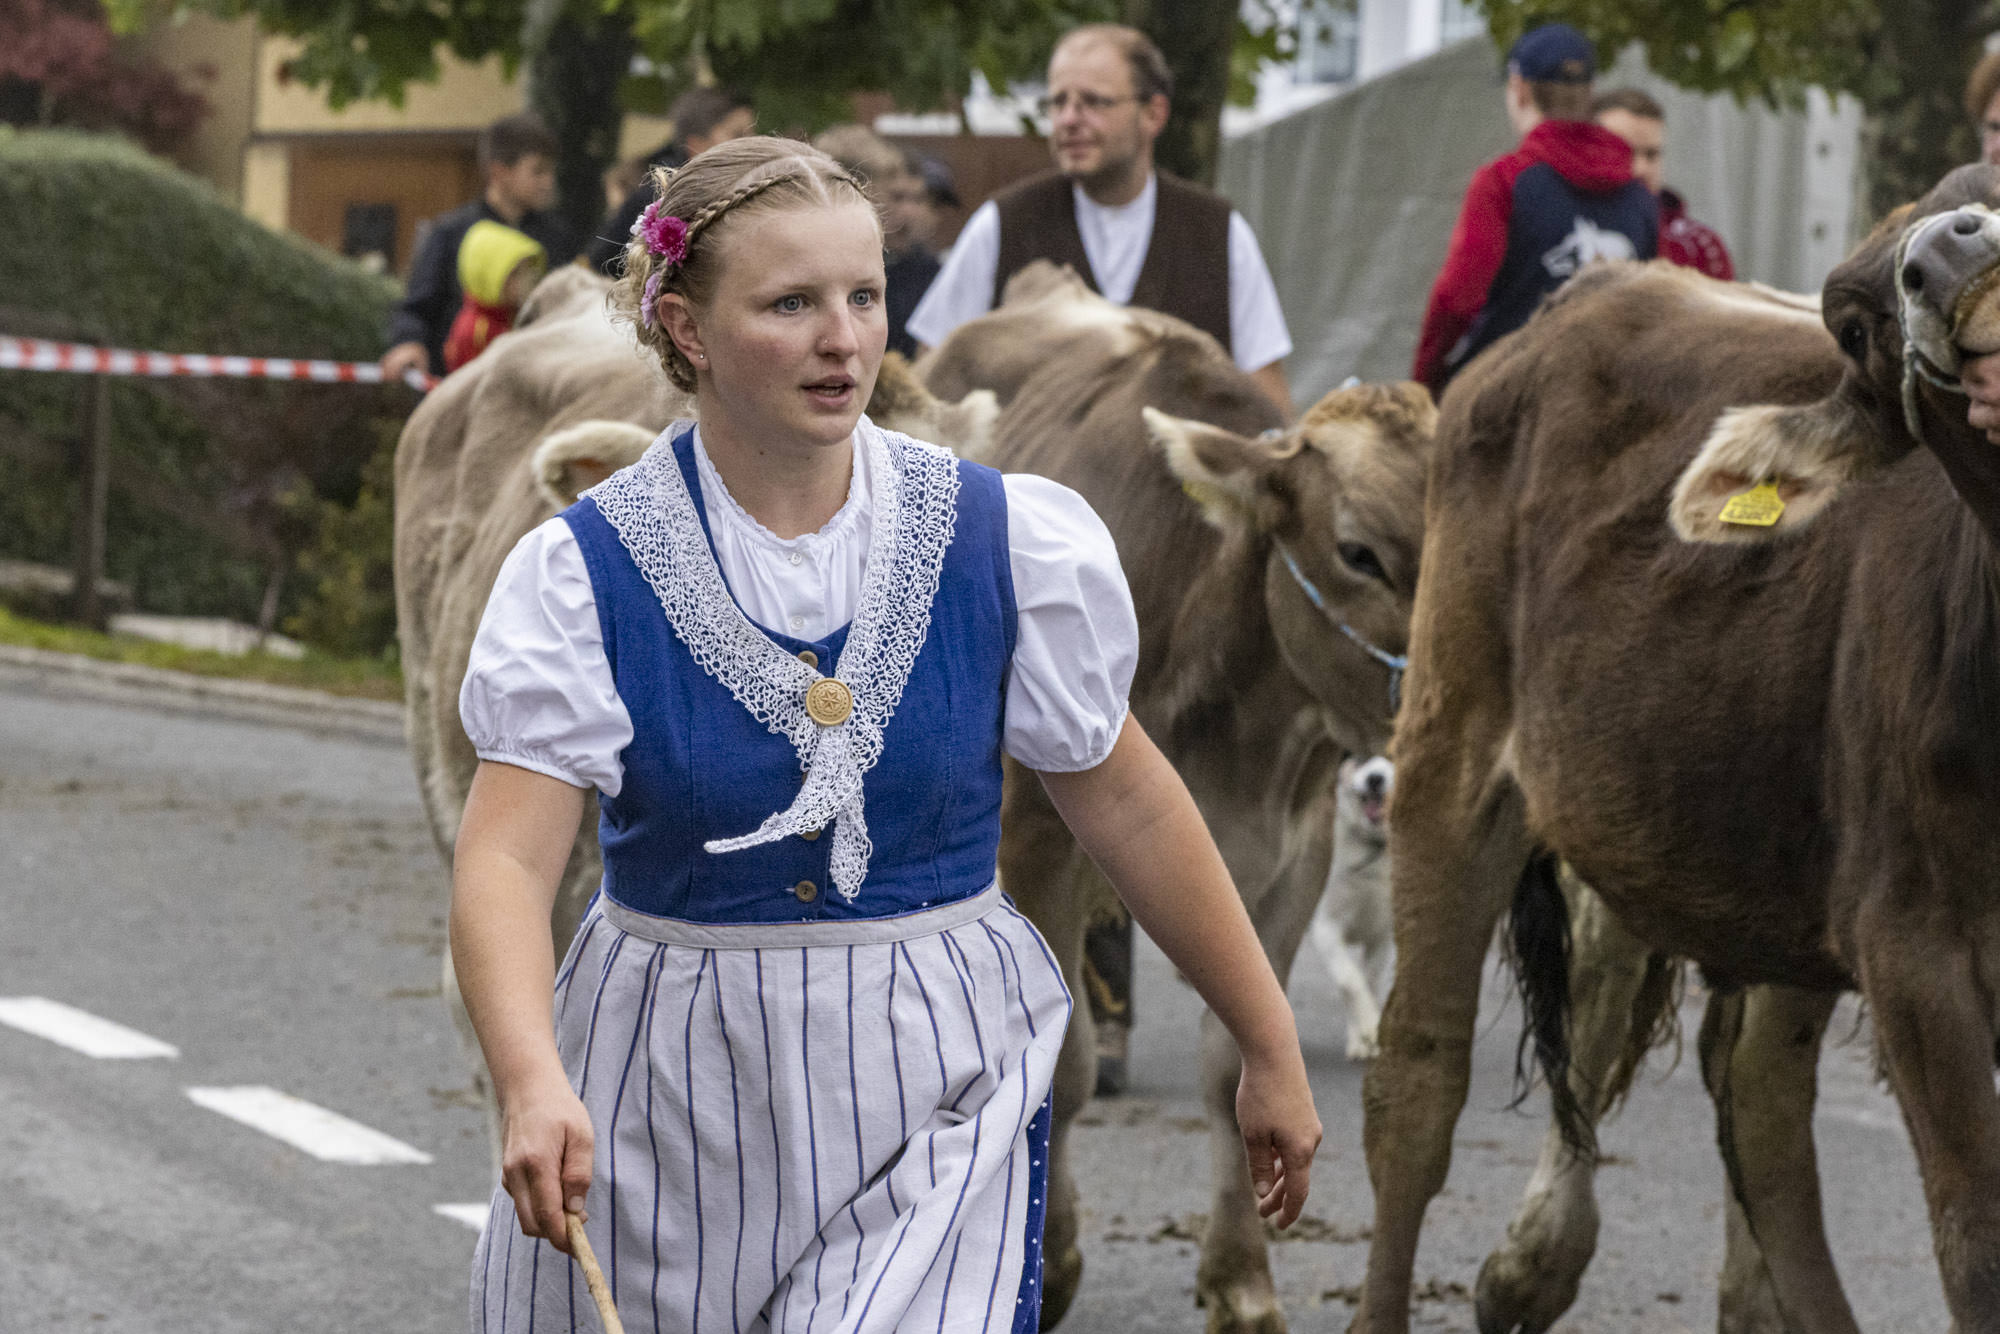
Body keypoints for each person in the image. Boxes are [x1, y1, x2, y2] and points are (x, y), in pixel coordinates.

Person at [451, 134, 1322, 1330]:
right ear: (687, 328)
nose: (843, 338)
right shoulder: (579, 573)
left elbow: (1125, 797)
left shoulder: (1002, 537)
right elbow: (505, 856)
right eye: (790, 303)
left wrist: (1266, 1039)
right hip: (666, 1083)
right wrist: (528, 1077)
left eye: (863, 297)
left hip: (937, 1075)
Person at [907, 24, 1295, 418]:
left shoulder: (1217, 232)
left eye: (1093, 102)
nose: (1069, 119)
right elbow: (932, 376)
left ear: (1153, 114)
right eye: (1058, 102)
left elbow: (1268, 402)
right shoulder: (1003, 223)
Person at [1411, 23, 1659, 396]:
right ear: (1591, 92)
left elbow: (1457, 300)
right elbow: (1654, 305)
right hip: (1607, 396)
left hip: (1511, 396)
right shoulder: (1640, 196)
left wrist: (1425, 380)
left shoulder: (1503, 181)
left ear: (1519, 89)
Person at [381, 114, 579, 382]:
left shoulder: (557, 236)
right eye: (537, 171)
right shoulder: (450, 232)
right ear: (499, 172)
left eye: (550, 171)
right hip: (456, 381)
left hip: (533, 383)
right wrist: (408, 341)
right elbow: (418, 306)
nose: (548, 182)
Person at [586, 85, 755, 274]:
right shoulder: (659, 195)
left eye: (752, 133)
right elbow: (603, 263)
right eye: (737, 134)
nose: (751, 143)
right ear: (696, 144)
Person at [1592, 87, 1735, 280]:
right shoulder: (1566, 232)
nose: (1640, 169)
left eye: (1651, 155)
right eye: (1623, 151)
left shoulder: (1698, 247)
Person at [442, 221, 546, 372]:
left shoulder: (515, 315)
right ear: (488, 277)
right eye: (515, 273)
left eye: (529, 269)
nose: (527, 280)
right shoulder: (475, 332)